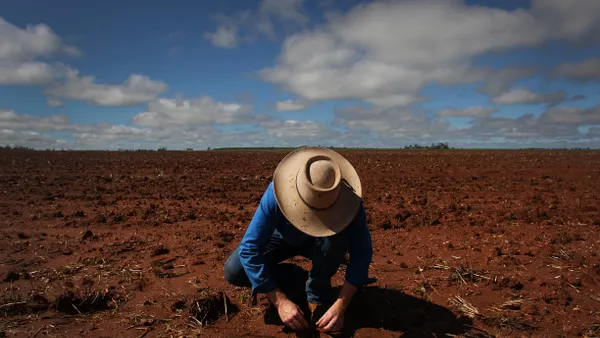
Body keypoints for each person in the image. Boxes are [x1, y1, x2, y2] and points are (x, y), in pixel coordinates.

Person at [223, 146, 373, 333]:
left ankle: (317, 293)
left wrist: (341, 305)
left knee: (336, 239)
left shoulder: (350, 204)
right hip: (284, 236)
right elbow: (249, 248)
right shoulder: (277, 193)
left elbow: (362, 253)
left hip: (327, 242)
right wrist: (279, 300)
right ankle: (297, 279)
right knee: (234, 270)